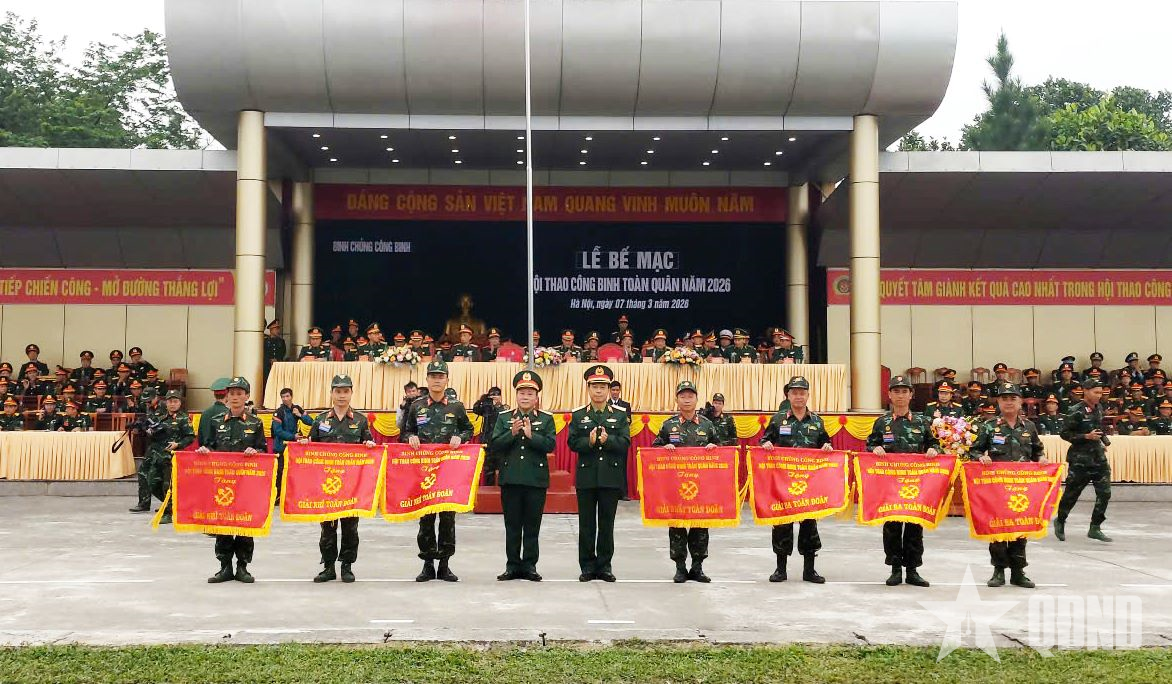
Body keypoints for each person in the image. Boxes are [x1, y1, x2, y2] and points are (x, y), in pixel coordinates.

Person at [400, 359, 473, 582]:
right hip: (424, 472)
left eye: (441, 376)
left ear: (447, 379)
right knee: (426, 518)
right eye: (433, 376)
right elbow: (405, 432)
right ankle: (427, 564)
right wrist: (410, 437)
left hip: (448, 472)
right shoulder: (417, 406)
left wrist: (460, 437)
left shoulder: (456, 406)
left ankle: (445, 564)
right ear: (427, 379)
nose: (437, 380)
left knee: (447, 518)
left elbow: (469, 429)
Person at [969, 382, 1047, 589]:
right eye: (1004, 398)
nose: (1009, 402)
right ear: (998, 402)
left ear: (1020, 401)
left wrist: (1042, 459)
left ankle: (1018, 572)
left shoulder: (1029, 427)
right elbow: (974, 450)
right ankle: (998, 570)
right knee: (998, 529)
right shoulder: (989, 426)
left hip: (1021, 488)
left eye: (1013, 398)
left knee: (1020, 527)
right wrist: (981, 457)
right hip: (997, 488)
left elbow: (1037, 450)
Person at [866, 375, 940, 588]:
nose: (900, 395)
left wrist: (934, 450)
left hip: (915, 484)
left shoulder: (922, 422)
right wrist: (874, 448)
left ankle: (913, 570)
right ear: (889, 395)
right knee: (892, 526)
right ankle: (895, 569)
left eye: (904, 391)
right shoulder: (882, 423)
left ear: (911, 395)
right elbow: (870, 444)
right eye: (896, 391)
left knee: (915, 526)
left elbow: (934, 443)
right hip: (890, 484)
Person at [302, 374, 376, 583]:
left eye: (345, 391)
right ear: (331, 393)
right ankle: (328, 567)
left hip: (352, 486)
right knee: (328, 527)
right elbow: (312, 447)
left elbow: (369, 446)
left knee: (350, 527)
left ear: (351, 393)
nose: (342, 395)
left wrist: (369, 446)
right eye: (338, 391)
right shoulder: (321, 420)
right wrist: (305, 445)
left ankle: (347, 566)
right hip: (328, 485)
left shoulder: (360, 420)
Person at [759, 375, 834, 583]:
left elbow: (826, 443)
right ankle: (780, 569)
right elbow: (764, 440)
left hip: (808, 484)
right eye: (794, 392)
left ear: (808, 395)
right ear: (788, 395)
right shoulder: (778, 419)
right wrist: (765, 445)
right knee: (782, 525)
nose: (799, 396)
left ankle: (809, 570)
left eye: (802, 392)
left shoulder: (817, 421)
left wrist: (827, 447)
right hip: (783, 484)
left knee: (809, 526)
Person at [197, 376, 268, 583]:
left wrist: (255, 451)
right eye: (232, 394)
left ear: (247, 396)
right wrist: (205, 450)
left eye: (239, 393)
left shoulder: (255, 423)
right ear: (227, 396)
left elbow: (263, 450)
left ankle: (242, 567)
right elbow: (208, 445)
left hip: (246, 483)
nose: (235, 397)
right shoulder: (216, 421)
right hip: (222, 483)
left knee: (245, 524)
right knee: (224, 524)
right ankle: (225, 567)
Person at [491, 370, 557, 581]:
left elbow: (550, 445)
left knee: (532, 526)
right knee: (512, 526)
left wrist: (531, 436)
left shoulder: (546, 419)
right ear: (516, 395)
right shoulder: (504, 417)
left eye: (530, 393)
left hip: (535, 480)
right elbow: (494, 445)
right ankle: (512, 566)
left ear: (536, 397)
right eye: (522, 393)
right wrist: (511, 433)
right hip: (511, 478)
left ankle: (529, 566)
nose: (525, 397)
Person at [652, 380, 720, 583]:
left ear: (697, 399)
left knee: (700, 526)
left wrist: (713, 448)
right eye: (683, 396)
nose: (687, 400)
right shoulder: (669, 425)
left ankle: (697, 567)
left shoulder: (707, 425)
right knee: (677, 526)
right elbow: (654, 449)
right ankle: (680, 568)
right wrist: (663, 449)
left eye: (690, 396)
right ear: (677, 400)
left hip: (701, 486)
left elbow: (721, 450)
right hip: (676, 486)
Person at [568, 365, 631, 582]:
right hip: (586, 477)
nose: (598, 391)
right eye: (594, 386)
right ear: (588, 389)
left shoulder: (619, 415)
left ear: (609, 389)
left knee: (606, 524)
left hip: (610, 477)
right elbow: (572, 442)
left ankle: (604, 566)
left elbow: (625, 442)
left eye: (602, 387)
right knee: (586, 525)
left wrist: (608, 441)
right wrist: (589, 441)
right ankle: (587, 566)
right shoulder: (579, 415)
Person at [1055, 378, 1113, 543]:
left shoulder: (1098, 408)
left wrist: (1102, 441)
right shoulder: (1075, 411)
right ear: (1085, 391)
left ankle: (1095, 527)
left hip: (1098, 459)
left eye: (1101, 393)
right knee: (1072, 494)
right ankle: (1060, 520)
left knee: (1105, 493)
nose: (1099, 396)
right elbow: (1064, 434)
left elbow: (1097, 427)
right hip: (1080, 460)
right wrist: (1086, 437)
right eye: (1096, 392)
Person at [131, 390, 195, 522]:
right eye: (170, 401)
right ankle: (169, 504)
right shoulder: (160, 417)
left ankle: (169, 513)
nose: (172, 404)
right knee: (152, 482)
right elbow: (153, 433)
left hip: (172, 456)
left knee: (168, 484)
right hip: (157, 455)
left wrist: (178, 444)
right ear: (166, 403)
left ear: (180, 403)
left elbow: (190, 437)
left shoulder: (183, 419)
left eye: (175, 401)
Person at [271, 387, 314, 494]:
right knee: (280, 472)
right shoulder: (278, 412)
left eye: (287, 396)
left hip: (294, 448)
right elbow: (277, 431)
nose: (285, 399)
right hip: (281, 447)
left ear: (291, 396)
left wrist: (299, 415)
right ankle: (279, 495)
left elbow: (311, 422)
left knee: (295, 471)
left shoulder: (297, 408)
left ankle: (293, 493)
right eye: (283, 397)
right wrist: (293, 437)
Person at [472, 387, 507, 485]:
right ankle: (489, 487)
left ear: (500, 396)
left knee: (501, 467)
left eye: (497, 395)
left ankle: (502, 487)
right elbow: (475, 409)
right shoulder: (486, 408)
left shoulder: (505, 408)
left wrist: (496, 406)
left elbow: (502, 416)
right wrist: (482, 400)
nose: (494, 397)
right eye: (492, 395)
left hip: (500, 442)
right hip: (487, 441)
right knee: (488, 469)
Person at [197, 378, 231, 446]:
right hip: (222, 451)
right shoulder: (229, 414)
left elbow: (200, 439)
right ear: (228, 394)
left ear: (214, 395)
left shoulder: (205, 413)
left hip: (205, 450)